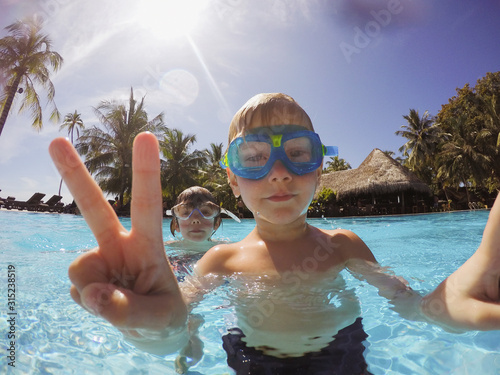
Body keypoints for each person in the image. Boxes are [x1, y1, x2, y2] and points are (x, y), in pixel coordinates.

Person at [49, 93, 500, 374]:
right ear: (231, 178)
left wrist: (440, 306)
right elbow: (177, 324)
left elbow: (406, 304)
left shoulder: (343, 245)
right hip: (251, 359)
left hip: (341, 355)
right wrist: (156, 334)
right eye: (254, 158)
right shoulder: (220, 260)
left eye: (298, 154)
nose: (279, 173)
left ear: (320, 167)